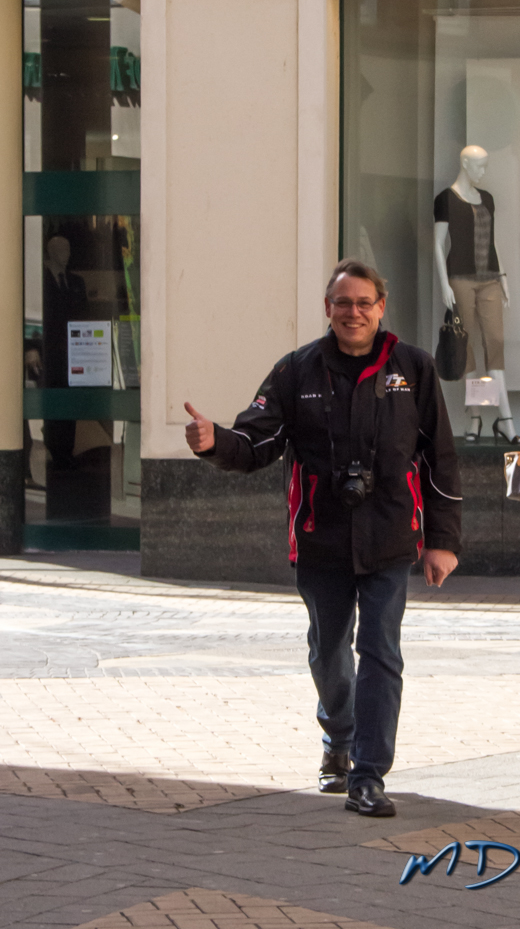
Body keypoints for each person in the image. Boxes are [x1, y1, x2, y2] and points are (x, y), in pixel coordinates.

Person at [184, 260, 462, 817]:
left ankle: (368, 773)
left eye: (364, 303)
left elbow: (440, 460)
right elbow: (255, 441)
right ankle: (338, 736)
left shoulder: (413, 368)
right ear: (327, 308)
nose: (353, 312)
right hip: (321, 537)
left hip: (389, 538)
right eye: (342, 303)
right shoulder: (296, 371)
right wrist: (215, 442)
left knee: (381, 651)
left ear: (382, 307)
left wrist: (442, 540)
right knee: (328, 650)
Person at [434, 145, 520, 444]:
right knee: (466, 345)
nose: (484, 173)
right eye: (480, 167)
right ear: (465, 164)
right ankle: (475, 416)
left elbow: (492, 241)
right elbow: (438, 244)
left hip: (489, 280)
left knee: (495, 342)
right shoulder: (446, 199)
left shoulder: (487, 199)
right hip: (459, 278)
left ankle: (505, 416)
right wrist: (444, 283)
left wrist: (503, 276)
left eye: (486, 166)